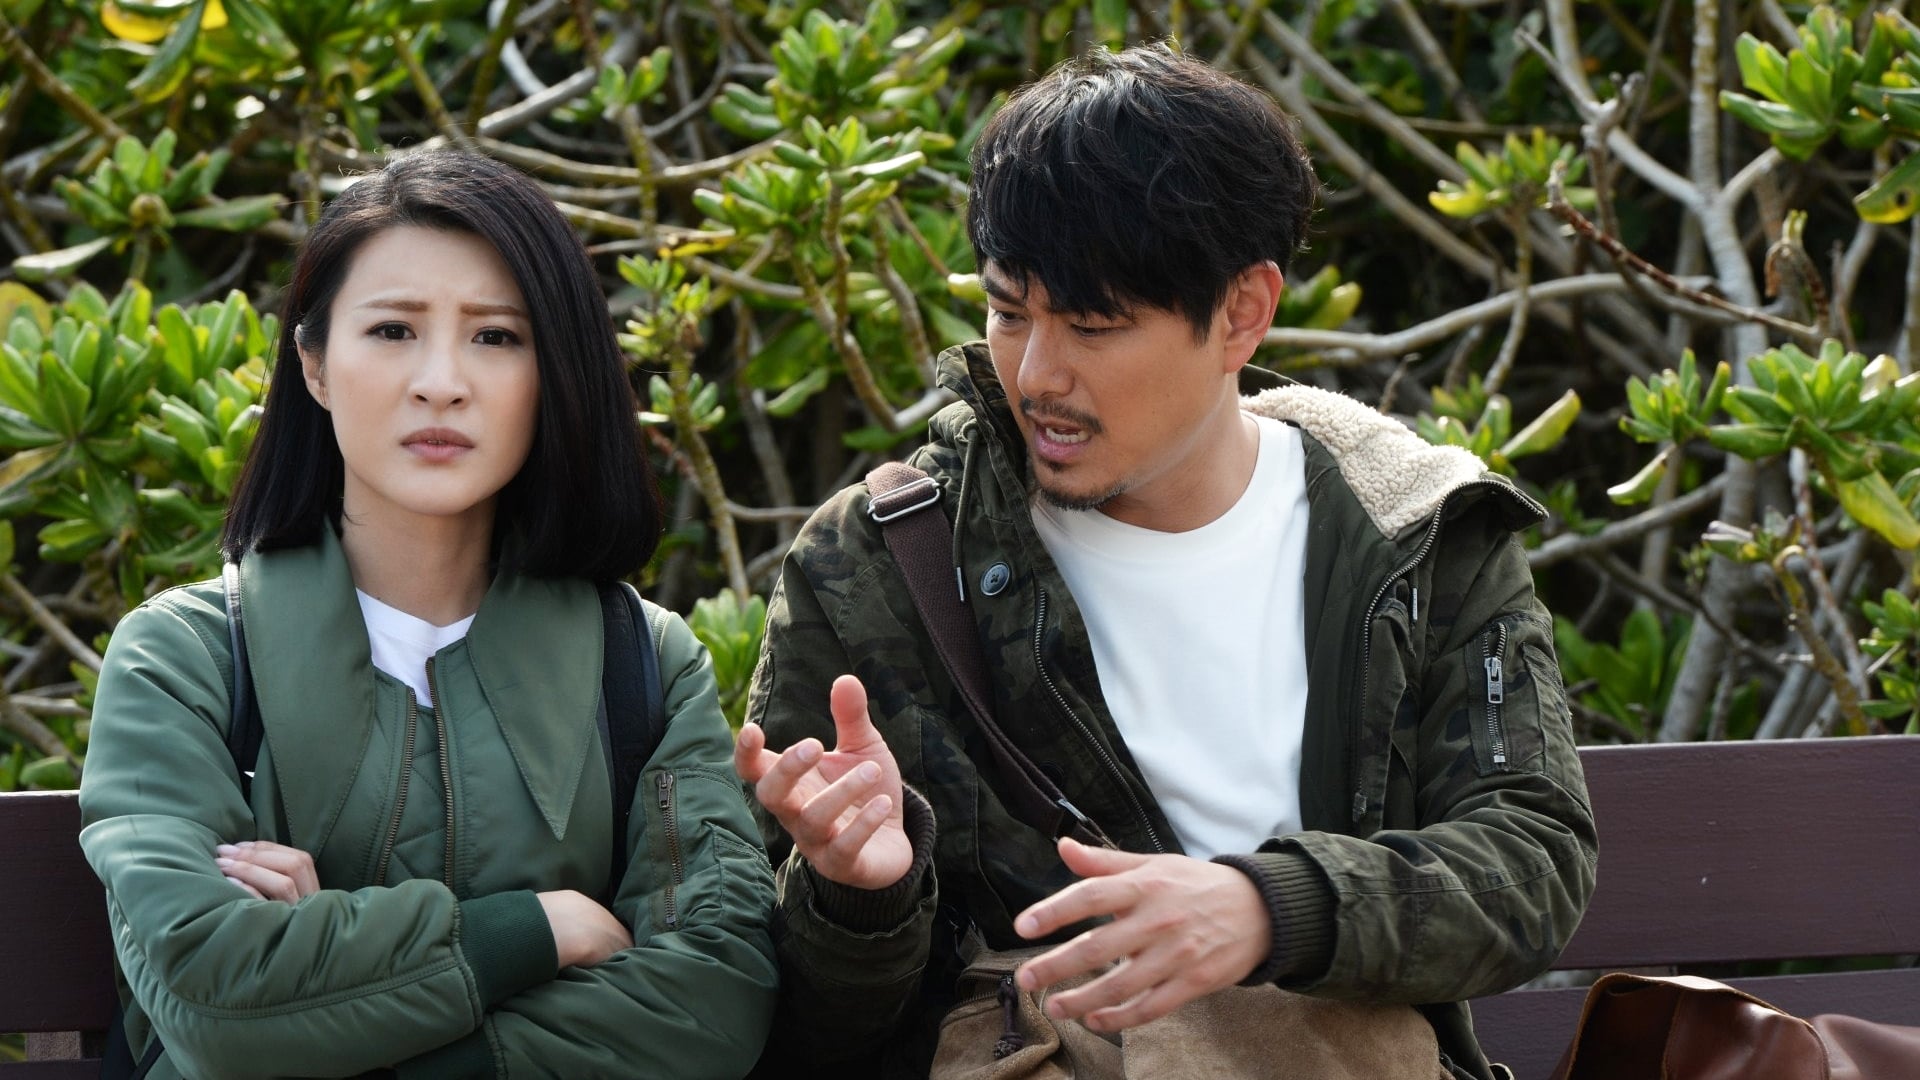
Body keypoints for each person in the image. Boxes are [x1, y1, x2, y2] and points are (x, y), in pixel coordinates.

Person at [734, 44, 1596, 1080]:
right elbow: (797, 1028)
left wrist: (1267, 908)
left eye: (1094, 325)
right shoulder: (876, 564)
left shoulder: (1413, 530)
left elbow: (1531, 860)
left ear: (1243, 313)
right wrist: (858, 897)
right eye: (1009, 312)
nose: (1036, 374)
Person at [78, 150, 778, 1079]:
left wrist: (328, 999)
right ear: (314, 365)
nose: (441, 381)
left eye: (495, 336)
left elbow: (714, 1000)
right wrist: (537, 930)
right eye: (393, 329)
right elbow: (213, 996)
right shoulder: (184, 660)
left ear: (554, 372)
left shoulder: (644, 663)